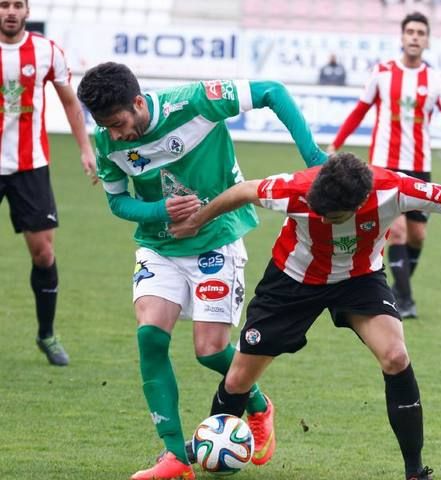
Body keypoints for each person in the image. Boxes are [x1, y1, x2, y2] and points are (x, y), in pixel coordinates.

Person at [169, 153, 441, 480]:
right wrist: (196, 220)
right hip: (292, 282)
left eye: (333, 216)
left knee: (396, 356)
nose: (324, 219)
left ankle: (415, 471)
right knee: (240, 377)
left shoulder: (394, 190)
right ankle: (209, 443)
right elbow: (241, 191)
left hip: (359, 280)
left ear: (360, 202)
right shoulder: (294, 190)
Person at [77, 62, 327, 480]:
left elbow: (271, 91)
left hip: (216, 239)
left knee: (210, 351)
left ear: (138, 102)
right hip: (160, 245)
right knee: (150, 337)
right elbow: (118, 202)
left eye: (118, 122)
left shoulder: (195, 102)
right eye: (105, 126)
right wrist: (158, 209)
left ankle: (259, 404)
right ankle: (175, 456)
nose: (115, 134)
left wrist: (316, 159)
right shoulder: (107, 143)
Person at [328, 11, 441, 319]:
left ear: (427, 39)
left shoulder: (434, 80)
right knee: (395, 232)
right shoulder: (382, 72)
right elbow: (360, 110)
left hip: (419, 165)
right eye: (410, 31)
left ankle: (399, 289)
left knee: (417, 236)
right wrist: (337, 141)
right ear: (402, 37)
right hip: (383, 167)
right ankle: (406, 300)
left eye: (420, 33)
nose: (414, 37)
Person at [0, 0, 96, 366]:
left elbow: (71, 103)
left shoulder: (45, 50)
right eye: (3, 5)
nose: (10, 11)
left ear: (26, 11)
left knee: (43, 253)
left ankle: (46, 334)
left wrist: (85, 148)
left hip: (31, 166)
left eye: (16, 5)